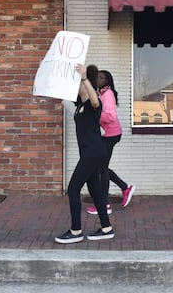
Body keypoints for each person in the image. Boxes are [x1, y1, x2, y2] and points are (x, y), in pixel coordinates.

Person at [55, 63, 114, 244]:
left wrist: (84, 78)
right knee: (95, 191)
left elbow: (95, 100)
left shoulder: (93, 104)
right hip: (89, 153)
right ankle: (106, 228)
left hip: (93, 152)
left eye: (78, 84)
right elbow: (63, 97)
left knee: (73, 189)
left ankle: (75, 231)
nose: (76, 86)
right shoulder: (80, 105)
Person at [86, 68, 135, 216]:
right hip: (109, 134)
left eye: (101, 78)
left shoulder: (108, 94)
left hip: (111, 135)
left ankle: (105, 205)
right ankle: (125, 188)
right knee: (102, 167)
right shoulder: (101, 94)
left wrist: (95, 116)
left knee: (101, 169)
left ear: (107, 81)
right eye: (97, 78)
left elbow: (110, 116)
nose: (98, 80)